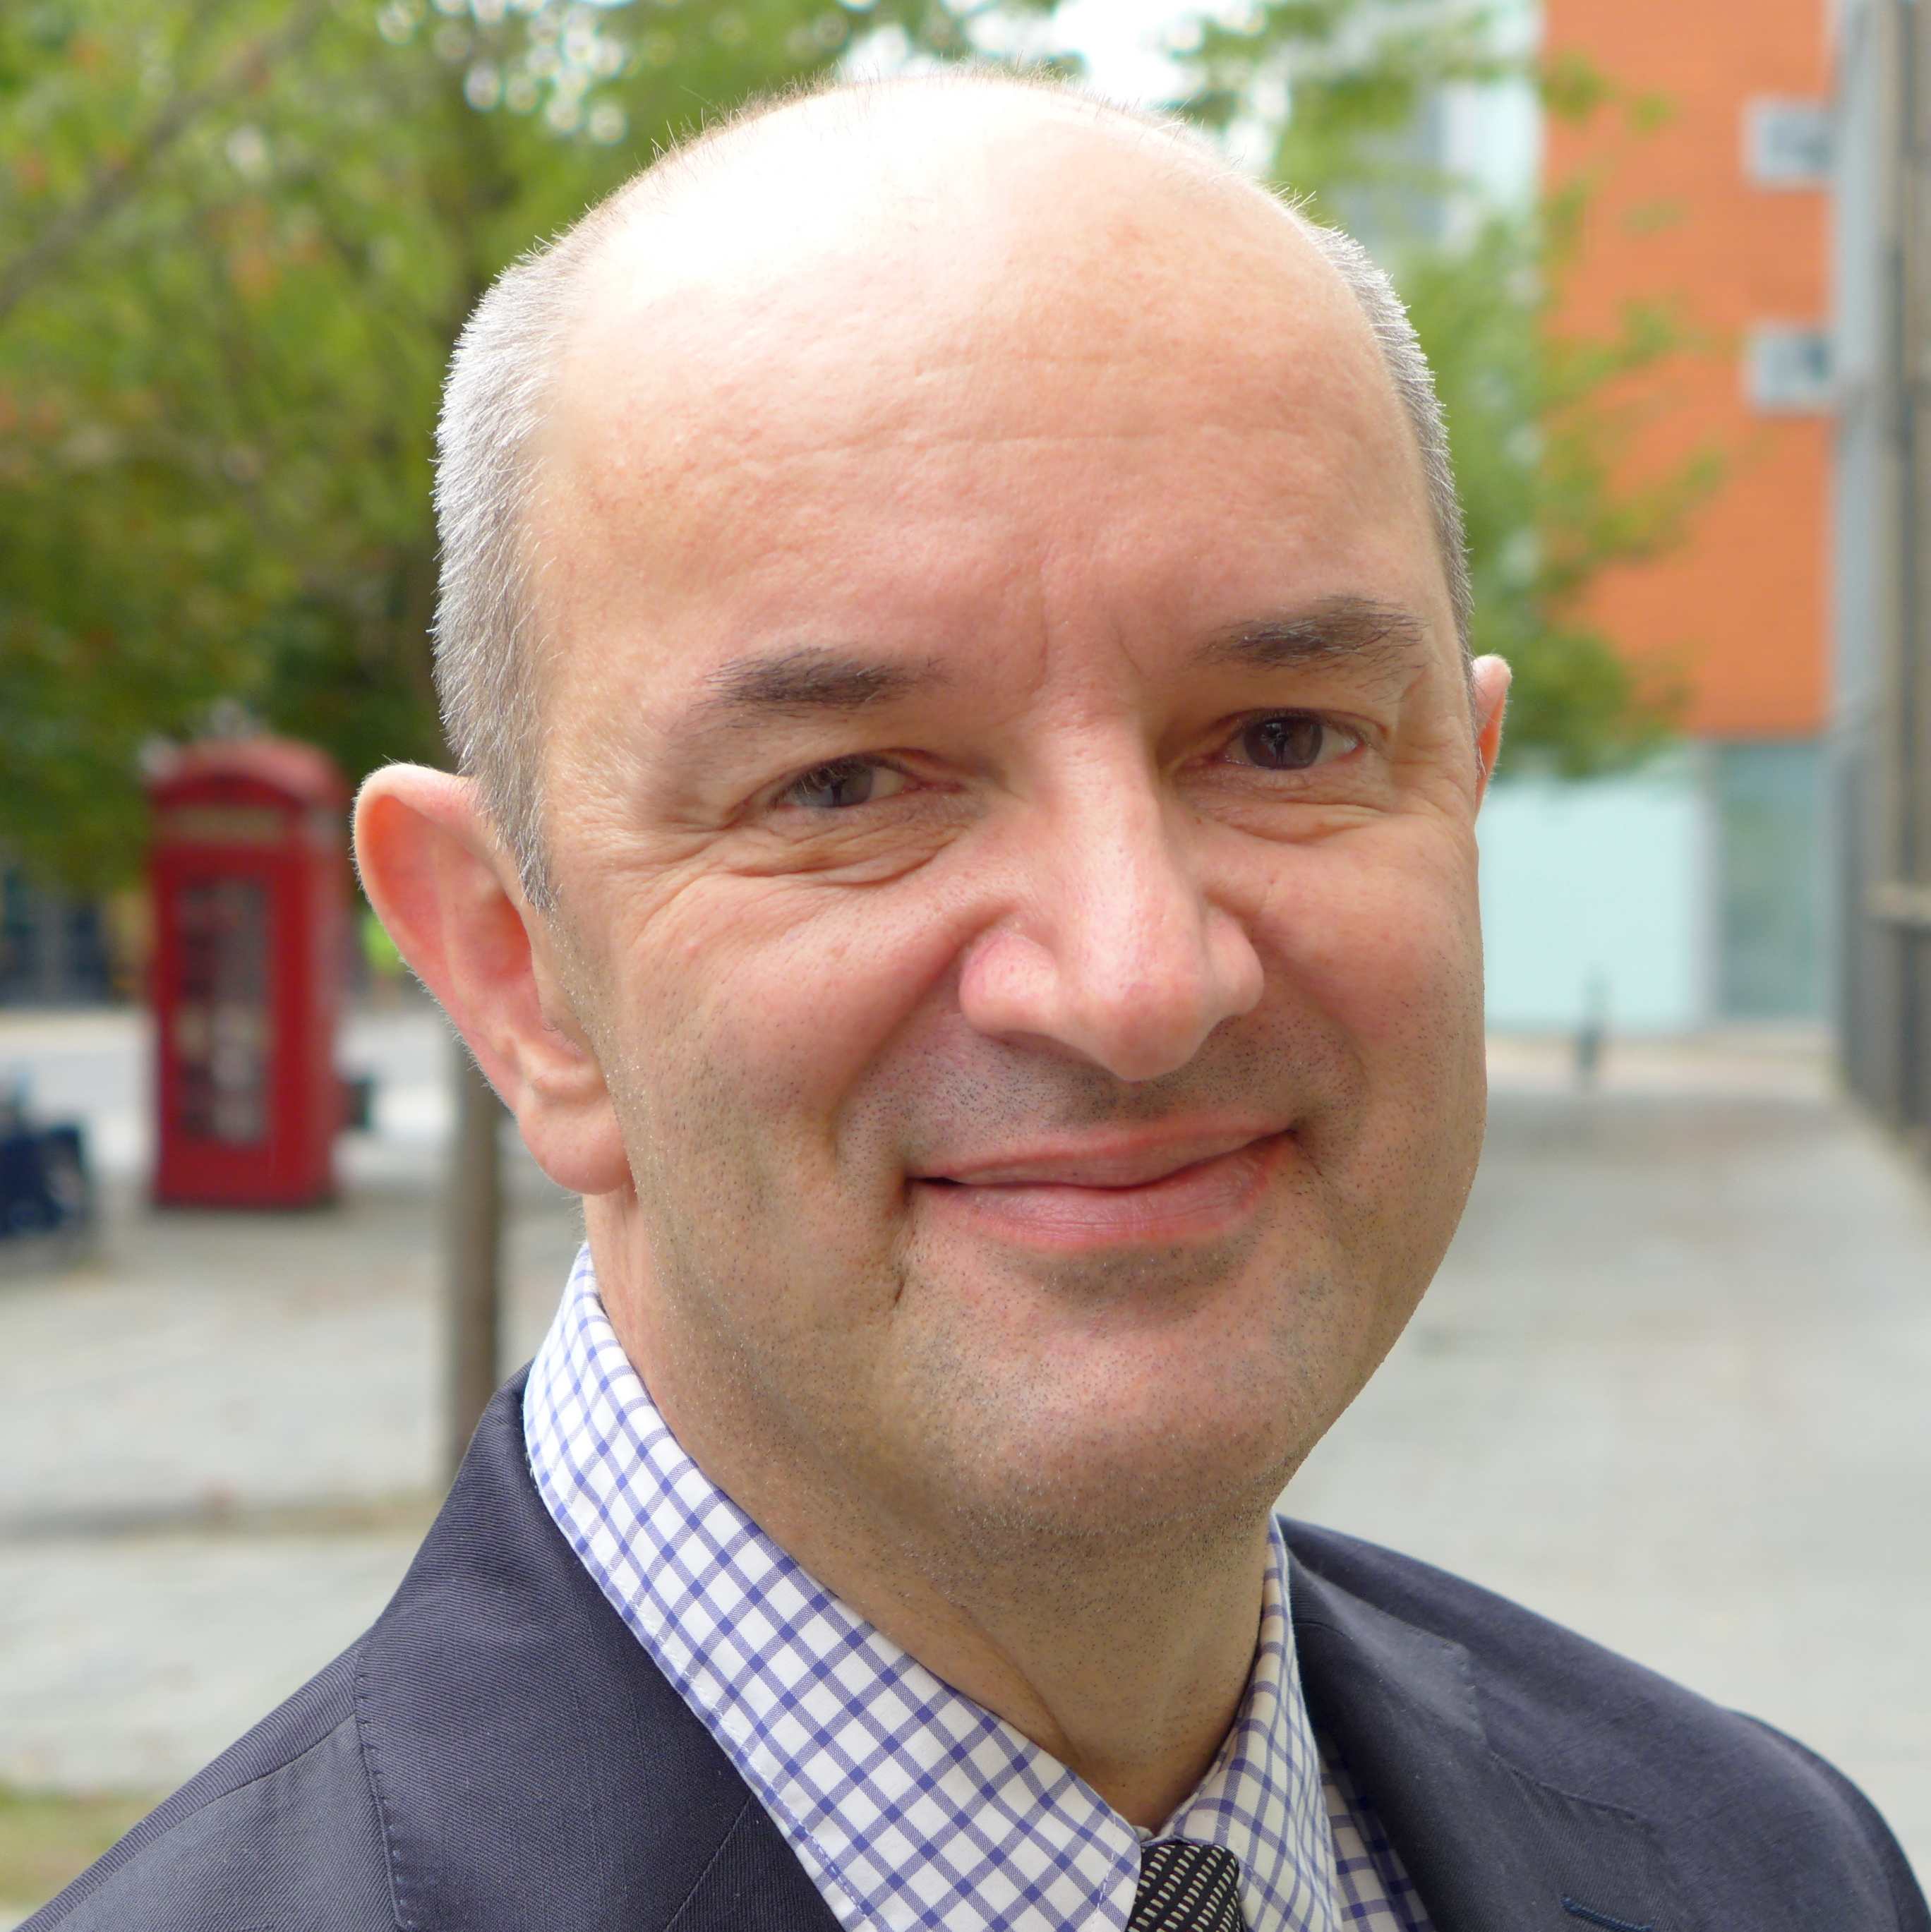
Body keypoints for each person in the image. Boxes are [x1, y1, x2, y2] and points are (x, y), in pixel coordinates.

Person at [32, 73, 1925, 1932]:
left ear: (1464, 794)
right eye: (849, 783)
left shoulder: (1776, 1870)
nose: (1137, 979)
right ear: (516, 972)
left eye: (1283, 738)